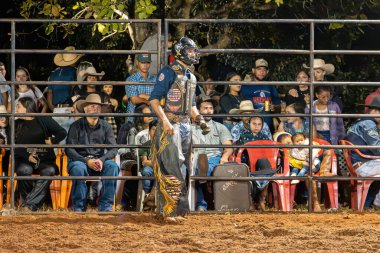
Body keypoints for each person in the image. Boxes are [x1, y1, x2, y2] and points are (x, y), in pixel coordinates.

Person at [149, 37, 210, 221]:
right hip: (171, 124)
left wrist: (199, 118)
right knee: (170, 166)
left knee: (183, 167)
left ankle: (176, 209)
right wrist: (166, 122)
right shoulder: (168, 72)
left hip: (185, 125)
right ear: (181, 52)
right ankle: (168, 210)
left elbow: (191, 104)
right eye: (190, 51)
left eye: (193, 51)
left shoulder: (191, 76)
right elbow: (154, 100)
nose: (193, 54)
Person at [66, 93, 119, 212]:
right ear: (84, 109)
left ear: (101, 109)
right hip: (80, 160)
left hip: (99, 160)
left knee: (113, 167)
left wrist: (102, 159)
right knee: (78, 169)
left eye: (97, 106)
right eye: (91, 106)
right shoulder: (76, 126)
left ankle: (106, 207)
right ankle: (79, 207)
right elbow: (69, 149)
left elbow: (114, 148)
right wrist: (86, 161)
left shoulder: (106, 127)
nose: (95, 108)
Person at [15, 97, 67, 211]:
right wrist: (27, 156)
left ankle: (28, 205)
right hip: (24, 159)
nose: (16, 109)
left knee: (49, 171)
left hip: (44, 159)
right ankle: (29, 205)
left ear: (27, 107)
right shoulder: (15, 123)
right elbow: (12, 146)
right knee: (24, 170)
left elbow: (62, 132)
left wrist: (52, 141)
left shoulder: (43, 119)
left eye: (18, 106)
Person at [192, 96, 234, 211]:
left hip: (214, 157)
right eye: (205, 108)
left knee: (198, 170)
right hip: (193, 157)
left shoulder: (220, 127)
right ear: (198, 110)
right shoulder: (191, 127)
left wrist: (225, 157)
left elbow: (228, 146)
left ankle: (201, 204)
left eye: (211, 108)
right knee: (193, 168)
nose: (209, 110)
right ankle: (202, 177)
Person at [345, 96, 380, 209]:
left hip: (361, 162)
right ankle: (377, 203)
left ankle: (366, 204)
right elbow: (377, 147)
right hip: (364, 164)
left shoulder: (360, 121)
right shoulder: (368, 124)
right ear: (374, 111)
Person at [241, 58, 281, 133]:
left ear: (267, 72)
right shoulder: (245, 86)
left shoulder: (270, 86)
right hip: (250, 126)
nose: (262, 72)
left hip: (268, 126)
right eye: (259, 69)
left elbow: (279, 107)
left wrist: (274, 107)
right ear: (253, 70)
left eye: (264, 70)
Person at [47, 46, 84, 112]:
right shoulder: (76, 72)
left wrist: (52, 108)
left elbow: (49, 92)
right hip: (70, 107)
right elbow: (77, 90)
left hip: (56, 108)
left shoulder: (53, 73)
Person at [126, 53, 156, 123]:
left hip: (153, 121)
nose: (145, 65)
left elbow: (160, 97)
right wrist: (148, 101)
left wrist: (141, 96)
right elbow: (134, 99)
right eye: (142, 62)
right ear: (137, 62)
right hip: (134, 120)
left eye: (147, 62)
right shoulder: (131, 79)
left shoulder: (155, 79)